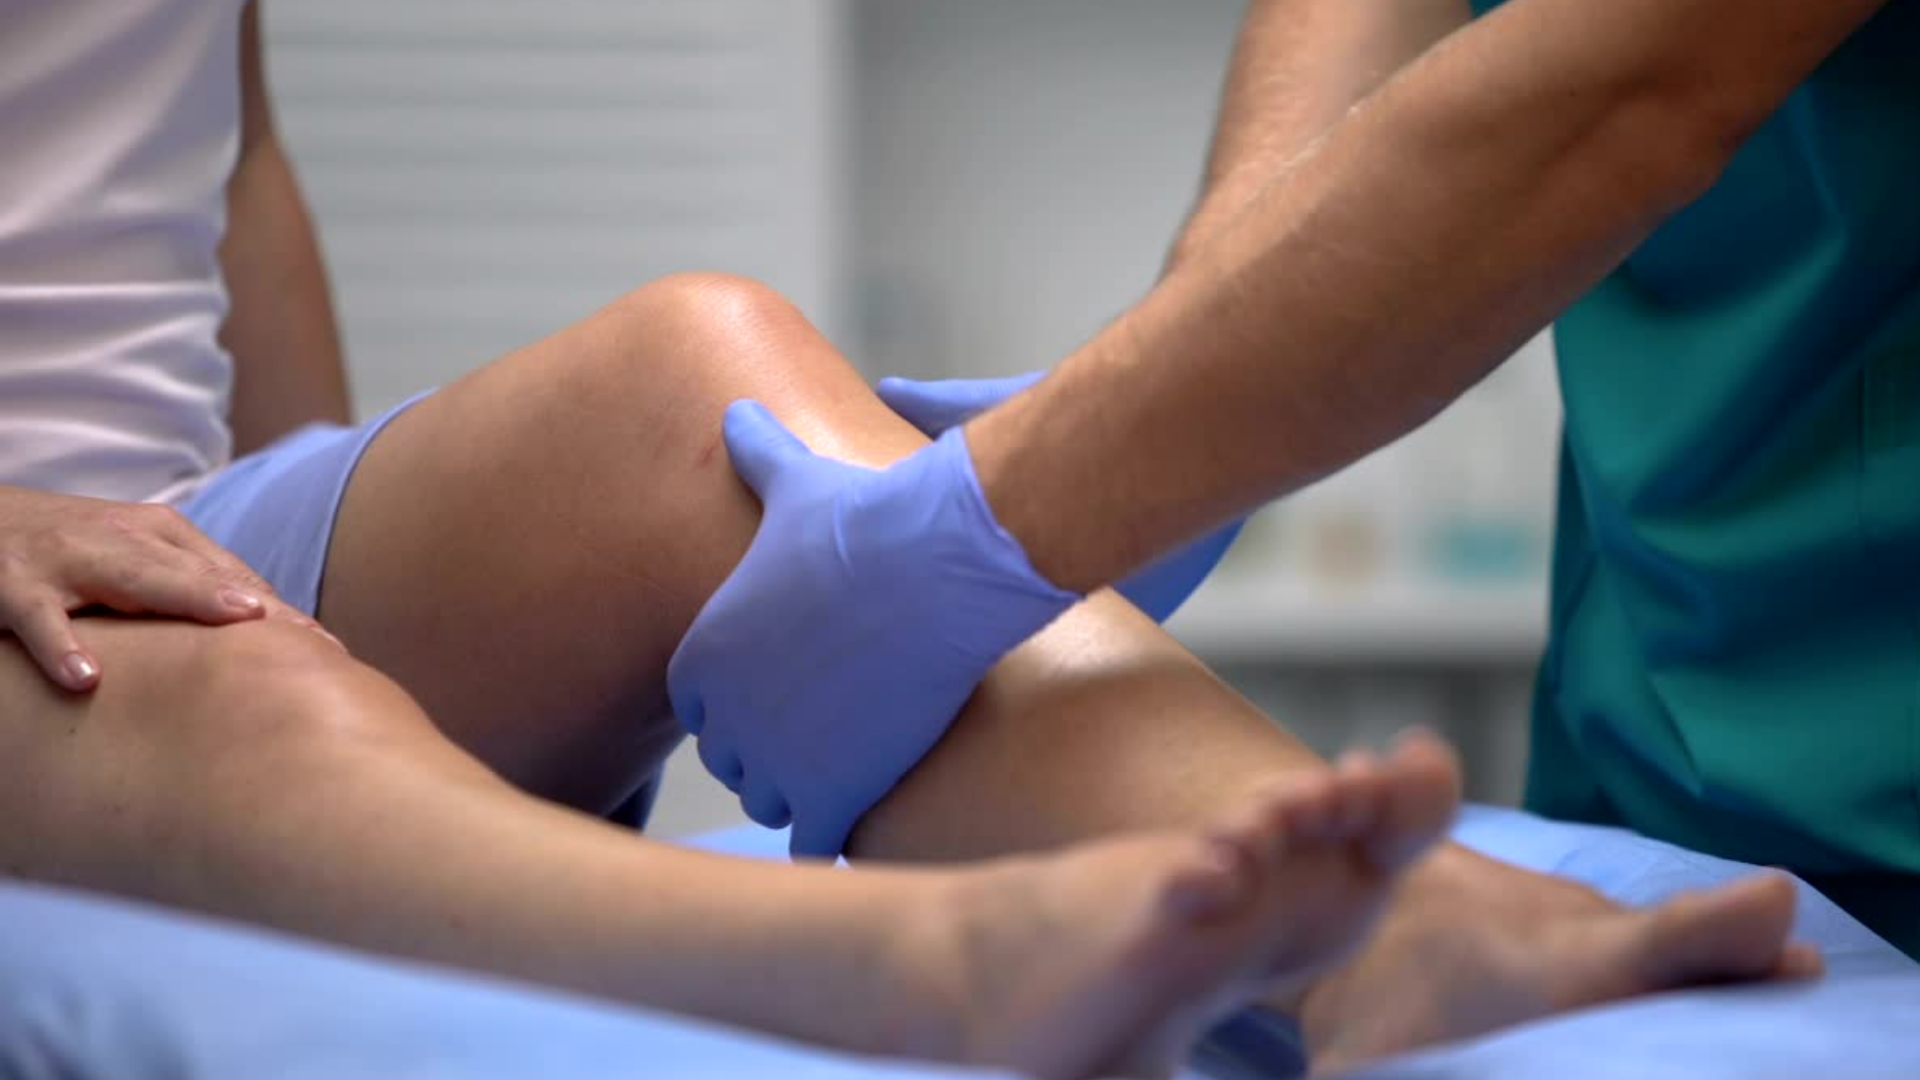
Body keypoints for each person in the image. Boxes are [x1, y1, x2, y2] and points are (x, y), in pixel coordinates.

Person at [0, 0, 1820, 1075]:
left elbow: (225, 167)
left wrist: (313, 551)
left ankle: (1387, 945)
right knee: (230, 699)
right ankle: (922, 971)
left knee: (702, 383)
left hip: (159, 510)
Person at [672, 0, 1920, 965]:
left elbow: (1646, 72)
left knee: (694, 358)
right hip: (1657, 709)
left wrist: (998, 512)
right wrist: (1195, 346)